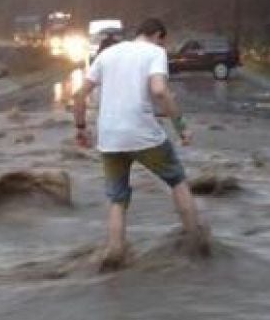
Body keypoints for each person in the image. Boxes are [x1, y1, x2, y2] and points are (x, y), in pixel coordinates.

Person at [73, 18, 209, 270]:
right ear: (158, 35)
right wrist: (181, 127)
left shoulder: (107, 54)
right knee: (177, 180)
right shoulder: (155, 53)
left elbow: (79, 94)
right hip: (142, 134)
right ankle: (197, 243)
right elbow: (159, 90)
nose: (162, 46)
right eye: (162, 41)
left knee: (117, 199)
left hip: (110, 137)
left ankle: (114, 254)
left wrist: (81, 129)